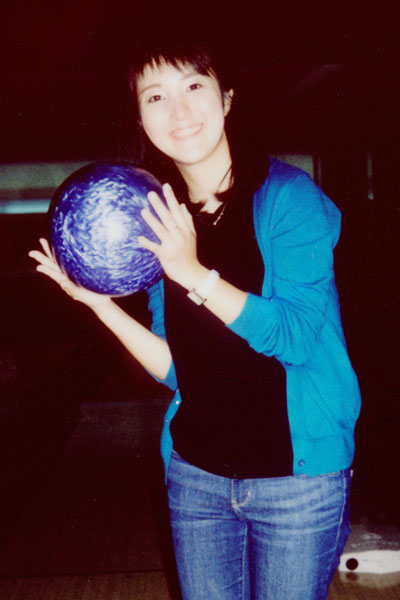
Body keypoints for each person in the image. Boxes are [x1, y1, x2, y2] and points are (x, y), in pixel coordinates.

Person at [29, 40, 361, 600]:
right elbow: (177, 370)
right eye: (155, 96)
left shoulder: (289, 198)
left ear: (226, 99)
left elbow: (296, 338)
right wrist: (99, 304)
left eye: (193, 86)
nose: (178, 110)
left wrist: (192, 272)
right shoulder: (158, 220)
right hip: (196, 478)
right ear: (140, 117)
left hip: (297, 484)